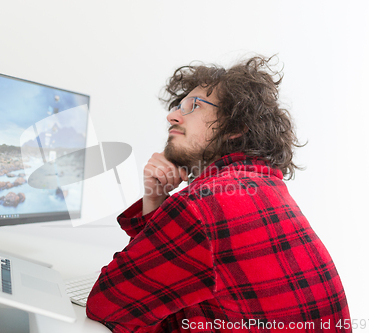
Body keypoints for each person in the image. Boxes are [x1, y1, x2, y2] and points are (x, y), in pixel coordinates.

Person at [86, 56, 351, 332]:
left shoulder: (202, 204)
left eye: (194, 106)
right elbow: (163, 288)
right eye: (178, 105)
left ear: (236, 127)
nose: (172, 116)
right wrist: (156, 200)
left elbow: (107, 305)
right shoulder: (263, 185)